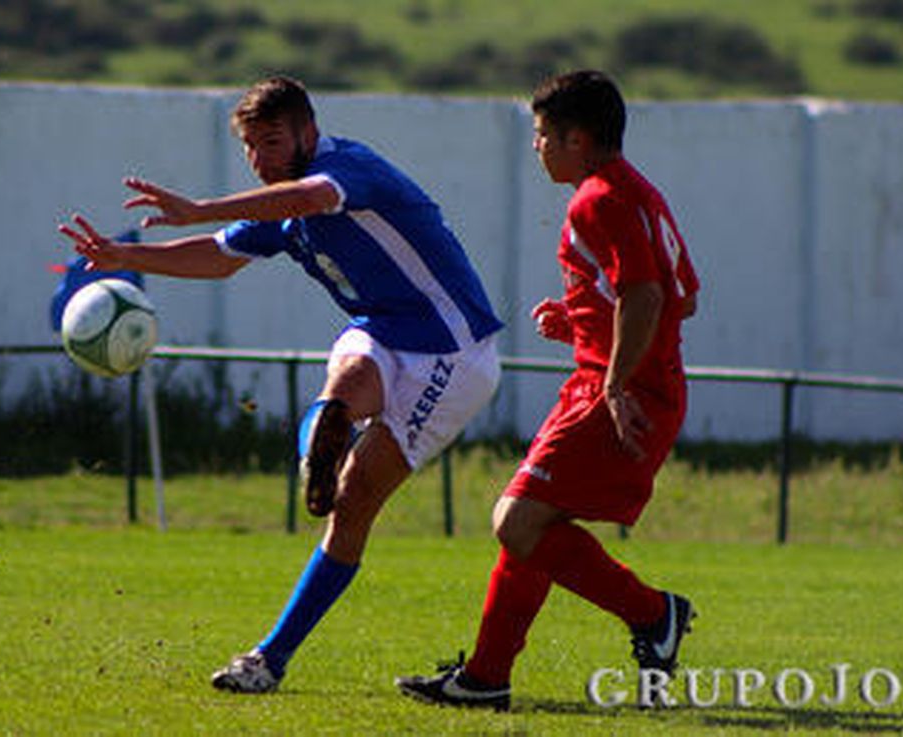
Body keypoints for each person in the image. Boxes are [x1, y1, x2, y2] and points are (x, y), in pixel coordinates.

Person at [59, 76, 504, 694]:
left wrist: (201, 206)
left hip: (453, 352)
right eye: (250, 145)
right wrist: (126, 257)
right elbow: (219, 258)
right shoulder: (281, 208)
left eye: (271, 142)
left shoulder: (348, 168)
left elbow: (314, 197)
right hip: (379, 330)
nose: (260, 159)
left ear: (308, 132)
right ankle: (316, 460)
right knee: (346, 382)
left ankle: (275, 638)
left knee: (354, 507)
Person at [396, 70, 701, 711]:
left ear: (576, 138)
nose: (536, 146)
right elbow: (682, 296)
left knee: (516, 520)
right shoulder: (638, 191)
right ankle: (485, 677)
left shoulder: (598, 198)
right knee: (535, 523)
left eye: (543, 135)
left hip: (620, 392)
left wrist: (616, 382)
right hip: (619, 382)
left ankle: (653, 613)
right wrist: (583, 320)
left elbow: (647, 296)